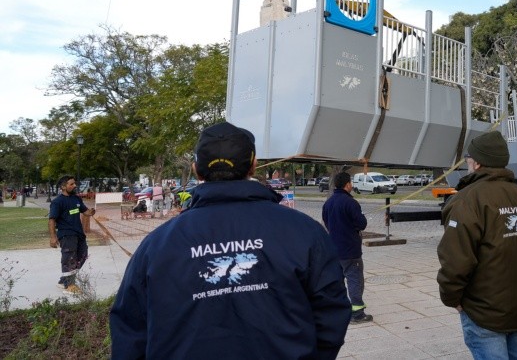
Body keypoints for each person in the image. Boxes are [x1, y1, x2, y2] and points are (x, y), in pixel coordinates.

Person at [110, 122, 351, 359]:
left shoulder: (156, 246)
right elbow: (332, 313)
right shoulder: (304, 232)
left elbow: (129, 333)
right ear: (253, 165)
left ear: (196, 169)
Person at [437, 130, 517, 359]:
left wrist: (451, 298)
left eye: (468, 159)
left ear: (476, 163)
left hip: (484, 312)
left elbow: (456, 260)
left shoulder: (467, 201)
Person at [322, 172, 373, 324]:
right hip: (350, 250)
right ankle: (357, 314)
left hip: (333, 249)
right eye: (351, 182)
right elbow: (361, 224)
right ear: (347, 184)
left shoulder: (328, 203)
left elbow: (326, 222)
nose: (352, 185)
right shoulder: (351, 203)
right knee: (355, 280)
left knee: (337, 281)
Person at [48, 175, 96, 295]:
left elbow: (85, 212)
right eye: (71, 184)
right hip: (66, 234)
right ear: (63, 187)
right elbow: (52, 220)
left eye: (74, 183)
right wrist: (53, 237)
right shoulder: (57, 202)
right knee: (69, 258)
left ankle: (63, 279)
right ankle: (69, 285)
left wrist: (91, 212)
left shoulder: (76, 199)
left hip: (79, 233)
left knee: (83, 255)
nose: (75, 185)